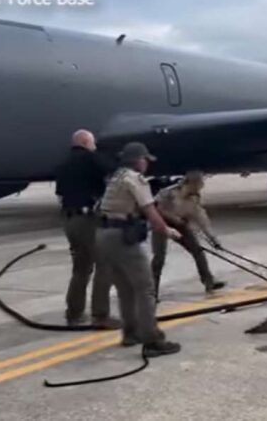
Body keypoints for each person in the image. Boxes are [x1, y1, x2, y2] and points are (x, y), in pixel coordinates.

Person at [96, 142, 183, 356]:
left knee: (125, 289)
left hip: (104, 235)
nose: (146, 164)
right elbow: (152, 214)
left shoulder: (115, 178)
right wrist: (169, 232)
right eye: (145, 159)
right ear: (138, 161)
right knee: (145, 289)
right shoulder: (135, 180)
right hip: (122, 237)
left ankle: (130, 333)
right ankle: (152, 340)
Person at [54, 129, 120, 329]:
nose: (95, 146)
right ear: (85, 142)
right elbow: (113, 170)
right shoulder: (91, 159)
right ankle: (101, 315)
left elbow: (60, 193)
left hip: (69, 220)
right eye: (93, 143)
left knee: (81, 268)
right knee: (104, 265)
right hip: (87, 220)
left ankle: (74, 313)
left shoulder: (63, 164)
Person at [152, 171, 227, 297]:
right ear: (191, 183)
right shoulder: (169, 193)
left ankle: (209, 281)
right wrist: (173, 218)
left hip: (180, 224)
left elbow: (201, 218)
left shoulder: (194, 197)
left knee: (197, 250)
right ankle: (152, 291)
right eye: (200, 183)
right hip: (161, 223)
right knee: (159, 257)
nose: (202, 186)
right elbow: (156, 208)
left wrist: (213, 239)